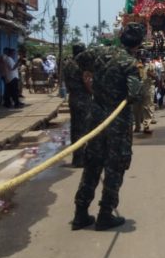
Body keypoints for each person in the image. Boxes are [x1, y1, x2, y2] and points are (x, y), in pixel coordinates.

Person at [72, 23, 145, 231]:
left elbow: (78, 60)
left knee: (92, 165)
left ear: (121, 36)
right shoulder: (130, 64)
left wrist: (93, 81)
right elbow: (134, 95)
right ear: (138, 44)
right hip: (117, 123)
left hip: (96, 119)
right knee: (114, 167)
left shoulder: (98, 52)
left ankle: (80, 213)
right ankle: (105, 214)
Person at [63, 43, 92, 167]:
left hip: (73, 97)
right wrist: (93, 92)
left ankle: (76, 157)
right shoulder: (82, 64)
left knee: (75, 128)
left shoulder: (67, 64)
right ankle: (81, 159)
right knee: (84, 128)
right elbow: (87, 81)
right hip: (83, 98)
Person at [133, 51, 155, 135]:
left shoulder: (150, 66)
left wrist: (151, 74)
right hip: (137, 89)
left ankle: (146, 126)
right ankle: (137, 126)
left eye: (144, 56)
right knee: (136, 109)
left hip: (147, 88)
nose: (143, 58)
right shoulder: (135, 65)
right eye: (141, 56)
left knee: (147, 107)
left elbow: (155, 76)